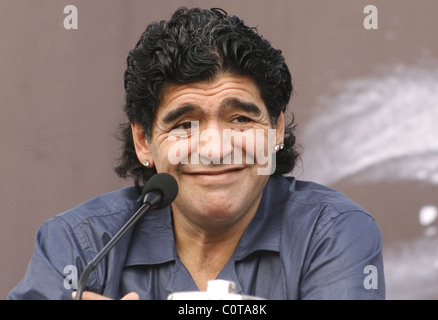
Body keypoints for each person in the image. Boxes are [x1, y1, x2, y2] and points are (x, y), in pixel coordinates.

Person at [8, 7, 385, 300]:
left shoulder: (332, 231)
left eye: (240, 119)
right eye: (184, 124)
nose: (216, 149)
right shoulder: (78, 243)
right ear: (144, 142)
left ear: (277, 131)